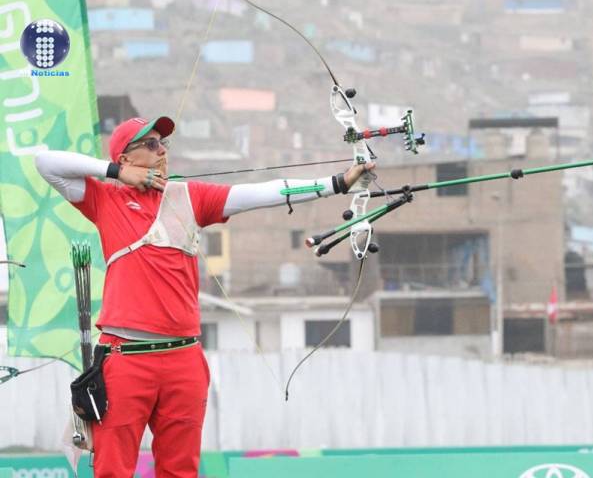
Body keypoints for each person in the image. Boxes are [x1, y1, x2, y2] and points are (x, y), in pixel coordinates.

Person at [35, 116, 373, 476]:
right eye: (151, 144)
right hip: (126, 359)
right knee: (113, 470)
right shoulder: (106, 199)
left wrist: (338, 183)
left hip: (184, 360)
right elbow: (45, 163)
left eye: (164, 143)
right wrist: (116, 173)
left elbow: (261, 193)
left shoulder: (188, 197)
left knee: (181, 470)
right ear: (126, 157)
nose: (162, 151)